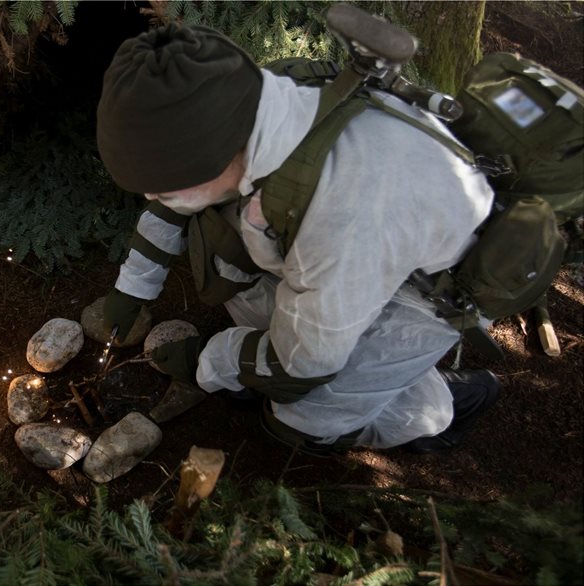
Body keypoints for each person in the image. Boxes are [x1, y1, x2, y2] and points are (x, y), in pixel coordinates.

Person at [95, 23, 500, 455]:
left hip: (422, 298)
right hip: (355, 255)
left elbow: (303, 364)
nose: (154, 198)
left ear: (216, 160)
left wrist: (207, 360)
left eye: (165, 189)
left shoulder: (342, 214)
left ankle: (445, 405)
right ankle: (270, 361)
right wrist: (133, 284)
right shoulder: (254, 100)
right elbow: (175, 186)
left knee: (300, 419)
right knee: (226, 254)